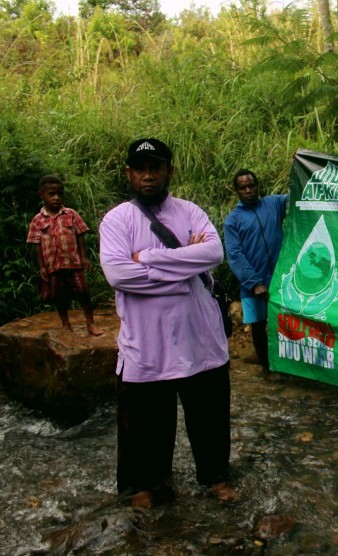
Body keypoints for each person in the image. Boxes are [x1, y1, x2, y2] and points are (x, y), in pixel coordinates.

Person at [99, 138, 236, 508]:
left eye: (155, 168)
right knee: (144, 429)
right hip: (147, 347)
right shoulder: (117, 220)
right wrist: (182, 267)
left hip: (200, 341)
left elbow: (212, 252)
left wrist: (144, 257)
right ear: (129, 173)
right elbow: (117, 273)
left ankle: (215, 478)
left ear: (169, 171)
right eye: (140, 169)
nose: (148, 176)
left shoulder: (190, 212)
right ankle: (142, 488)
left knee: (209, 420)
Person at [224, 169, 289, 373]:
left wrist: (297, 165)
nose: (248, 190)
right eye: (243, 187)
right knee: (258, 327)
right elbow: (235, 255)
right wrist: (254, 283)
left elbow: (298, 195)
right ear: (237, 191)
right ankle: (266, 369)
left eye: (251, 185)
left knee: (285, 323)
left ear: (257, 186)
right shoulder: (232, 220)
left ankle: (286, 366)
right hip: (251, 285)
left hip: (280, 279)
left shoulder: (274, 203)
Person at [27, 175, 102, 336]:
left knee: (83, 293)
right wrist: (41, 267)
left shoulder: (71, 214)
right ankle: (66, 324)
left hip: (73, 263)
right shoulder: (37, 221)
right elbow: (36, 245)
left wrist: (84, 257)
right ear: (42, 195)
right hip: (53, 265)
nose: (56, 198)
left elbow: (81, 235)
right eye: (52, 194)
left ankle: (91, 323)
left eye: (60, 194)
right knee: (59, 297)